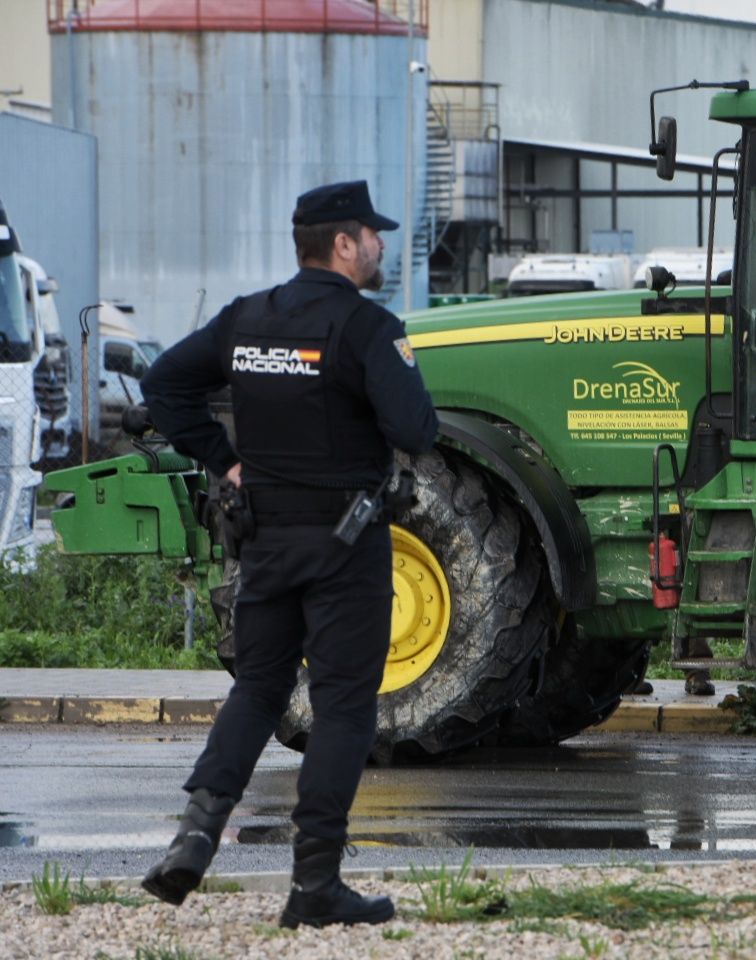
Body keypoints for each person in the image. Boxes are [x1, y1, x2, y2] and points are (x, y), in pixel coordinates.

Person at [138, 180, 438, 929]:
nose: (379, 246)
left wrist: (226, 460)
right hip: (345, 543)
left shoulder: (247, 319)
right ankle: (315, 885)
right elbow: (417, 429)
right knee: (342, 708)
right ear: (343, 243)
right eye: (372, 234)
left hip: (265, 537)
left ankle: (196, 836)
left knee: (259, 690)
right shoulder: (366, 327)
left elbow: (165, 383)